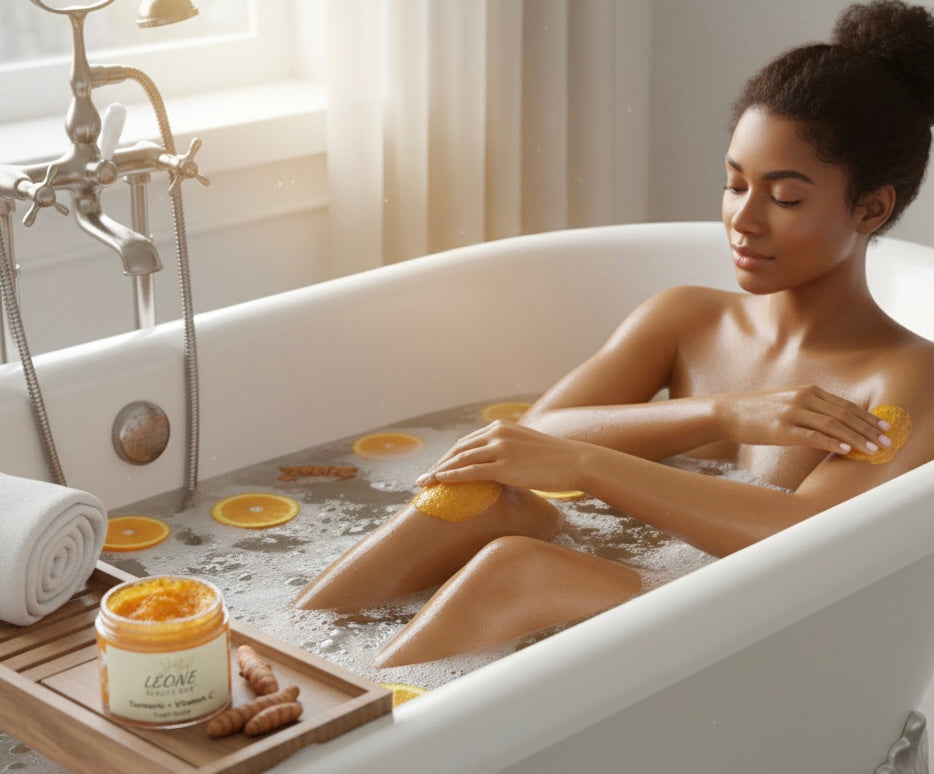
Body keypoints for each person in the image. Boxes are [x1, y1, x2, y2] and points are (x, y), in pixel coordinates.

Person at [299, 0, 934, 668]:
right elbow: (520, 445)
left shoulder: (903, 378)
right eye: (734, 183)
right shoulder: (688, 318)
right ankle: (272, 678)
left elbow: (806, 541)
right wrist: (722, 412)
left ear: (871, 206)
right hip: (639, 591)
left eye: (784, 198)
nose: (743, 220)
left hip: (760, 643)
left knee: (523, 567)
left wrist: (587, 465)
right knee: (475, 497)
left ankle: (337, 741)